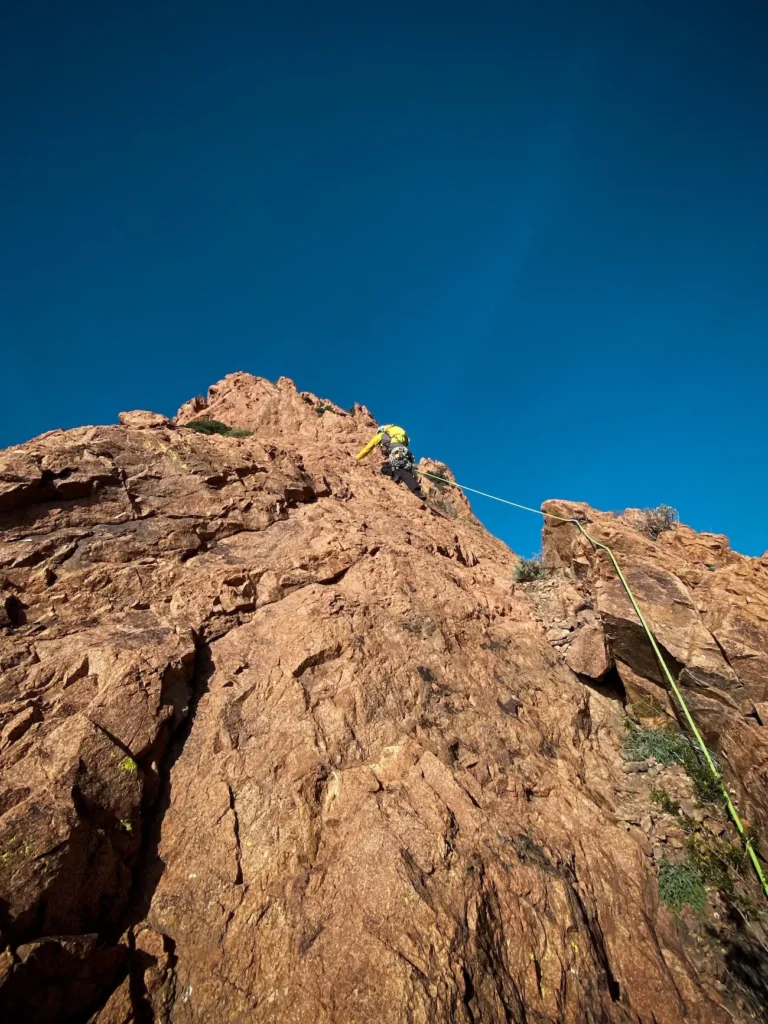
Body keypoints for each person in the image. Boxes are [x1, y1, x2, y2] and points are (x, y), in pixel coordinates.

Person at [355, 424, 426, 500]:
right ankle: (400, 478)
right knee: (386, 468)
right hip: (406, 454)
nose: (380, 446)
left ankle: (416, 491)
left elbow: (368, 448)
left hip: (397, 451)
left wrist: (357, 458)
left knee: (400, 470)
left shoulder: (381, 435)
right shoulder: (395, 437)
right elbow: (392, 459)